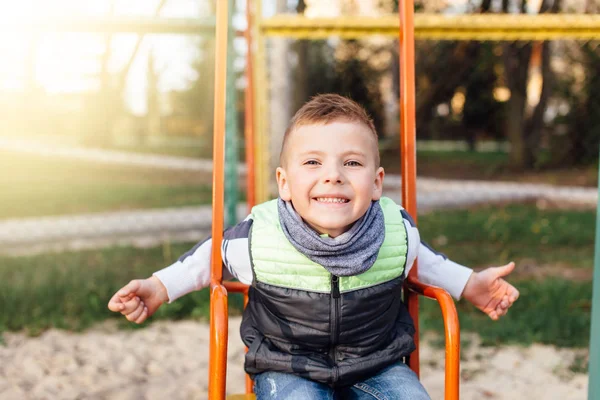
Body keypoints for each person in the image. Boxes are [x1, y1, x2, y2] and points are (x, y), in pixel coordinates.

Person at [108, 94, 519, 399]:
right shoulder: (260, 236)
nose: (333, 176)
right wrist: (158, 287)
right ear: (284, 184)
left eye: (352, 163)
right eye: (312, 163)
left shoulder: (395, 231)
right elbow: (208, 257)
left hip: (375, 365)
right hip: (288, 367)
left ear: (376, 183)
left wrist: (473, 285)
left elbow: (426, 263)